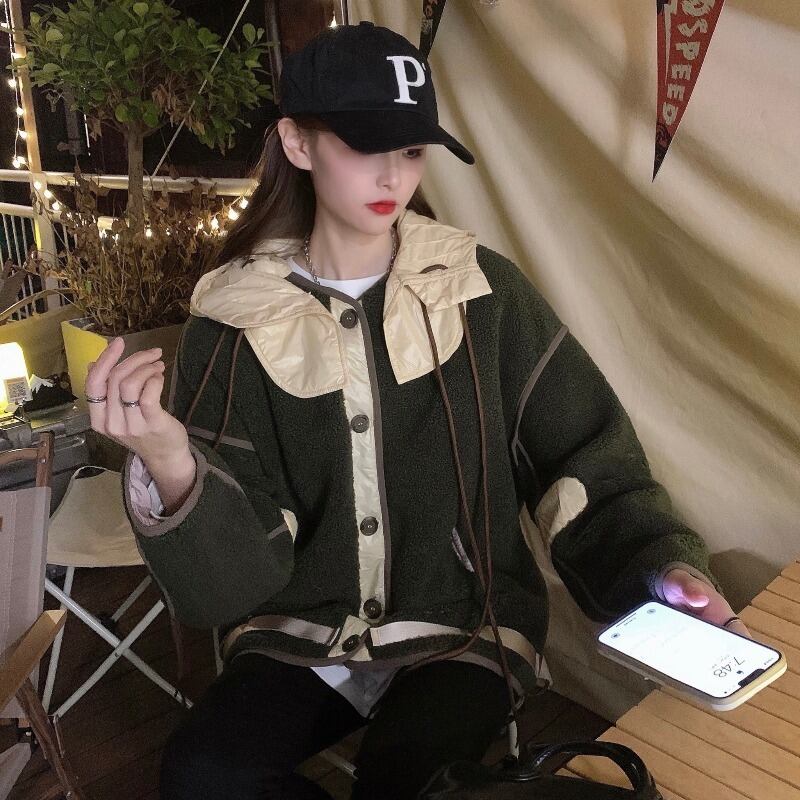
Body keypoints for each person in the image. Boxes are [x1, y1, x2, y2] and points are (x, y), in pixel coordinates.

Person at [84, 21, 746, 800]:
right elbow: (226, 587)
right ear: (297, 143)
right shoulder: (231, 323)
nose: (392, 175)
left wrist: (663, 569)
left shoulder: (482, 294)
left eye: (410, 149)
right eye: (365, 145)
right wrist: (171, 463)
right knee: (202, 775)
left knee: (408, 783)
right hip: (301, 635)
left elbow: (585, 458)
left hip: (462, 628)